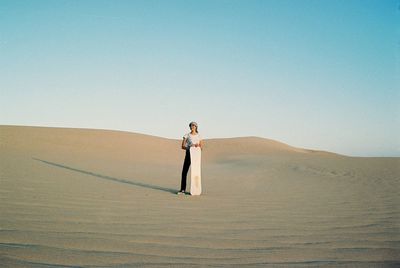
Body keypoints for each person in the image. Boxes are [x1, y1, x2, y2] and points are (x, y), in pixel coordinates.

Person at [178, 121, 203, 195]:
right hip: (189, 154)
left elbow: (201, 147)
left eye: (194, 126)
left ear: (196, 127)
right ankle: (182, 189)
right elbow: (182, 146)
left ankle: (196, 188)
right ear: (190, 127)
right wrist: (189, 147)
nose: (193, 127)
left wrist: (198, 146)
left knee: (196, 172)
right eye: (191, 126)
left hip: (196, 155)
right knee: (184, 172)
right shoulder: (187, 135)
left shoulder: (199, 136)